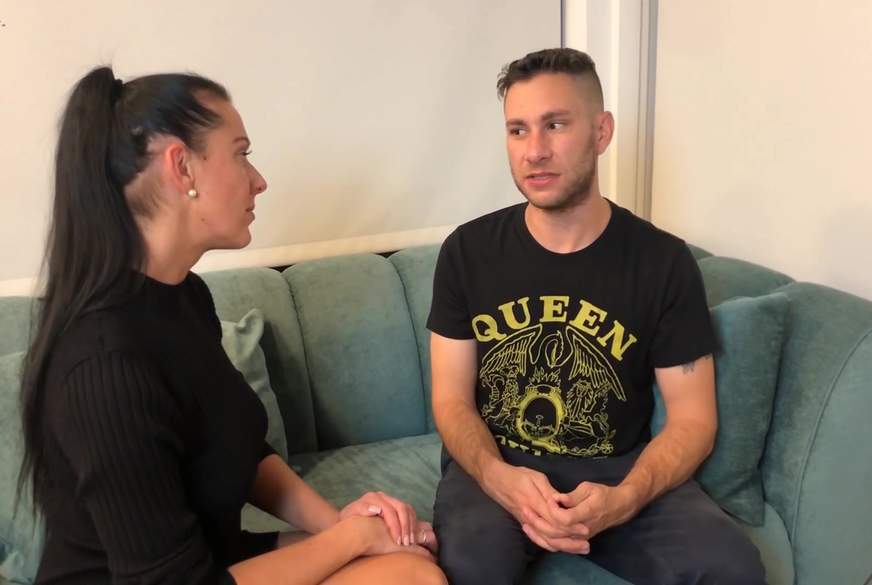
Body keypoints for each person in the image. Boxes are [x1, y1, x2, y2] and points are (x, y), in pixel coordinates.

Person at [18, 66, 446, 585]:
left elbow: (235, 447)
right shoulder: (104, 366)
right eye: (241, 154)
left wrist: (341, 524)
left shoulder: (185, 297)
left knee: (409, 558)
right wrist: (351, 540)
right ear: (182, 167)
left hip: (214, 559)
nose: (258, 180)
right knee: (409, 576)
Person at [426, 48, 766, 585]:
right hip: (499, 463)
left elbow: (694, 420)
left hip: (617, 469)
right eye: (517, 130)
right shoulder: (467, 252)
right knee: (470, 568)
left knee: (733, 568)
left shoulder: (663, 262)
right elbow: (450, 399)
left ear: (601, 132)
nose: (535, 151)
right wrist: (495, 476)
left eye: (555, 125)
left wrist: (627, 497)